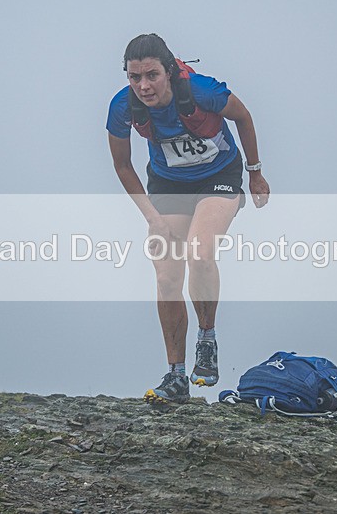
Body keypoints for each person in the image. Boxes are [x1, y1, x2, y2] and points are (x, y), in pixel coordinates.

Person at [106, 33, 270, 404]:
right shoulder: (122, 106)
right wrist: (152, 217)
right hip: (168, 183)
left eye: (151, 75)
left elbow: (243, 117)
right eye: (134, 77)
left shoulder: (201, 90)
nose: (144, 86)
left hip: (219, 176)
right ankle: (176, 376)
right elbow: (122, 164)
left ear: (168, 71)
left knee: (199, 251)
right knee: (166, 275)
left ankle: (206, 339)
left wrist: (255, 172)